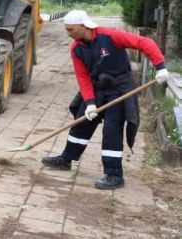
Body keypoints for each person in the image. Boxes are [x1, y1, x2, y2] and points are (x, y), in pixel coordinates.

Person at [41, 10, 169, 189]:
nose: (68, 33)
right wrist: (90, 103)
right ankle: (66, 159)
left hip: (119, 89)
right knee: (81, 123)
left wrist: (160, 67)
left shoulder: (110, 36)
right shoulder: (76, 48)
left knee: (112, 130)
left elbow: (145, 42)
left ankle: (114, 175)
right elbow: (83, 76)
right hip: (97, 88)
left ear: (83, 26)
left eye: (70, 30)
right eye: (66, 29)